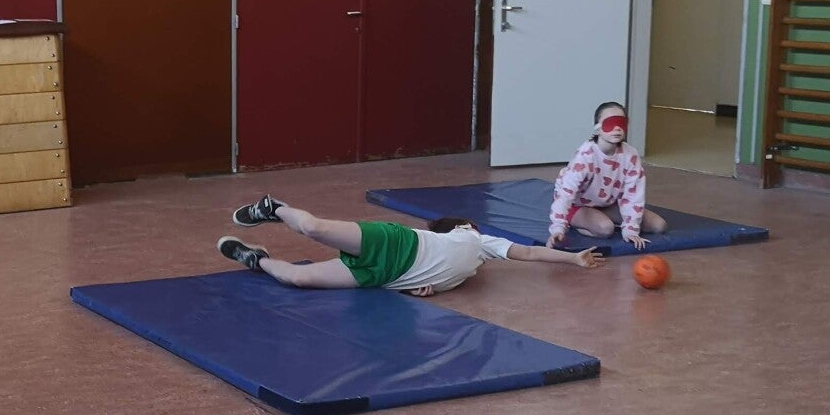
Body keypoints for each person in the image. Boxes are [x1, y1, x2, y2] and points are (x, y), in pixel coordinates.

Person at [217, 194, 601, 296]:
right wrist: (570, 258)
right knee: (314, 228)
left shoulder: (471, 266)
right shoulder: (476, 238)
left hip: (385, 276)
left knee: (298, 279)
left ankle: (255, 259)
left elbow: (529, 253)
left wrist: (574, 260)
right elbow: (530, 252)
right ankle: (274, 208)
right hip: (394, 242)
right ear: (463, 226)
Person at [548, 101, 669, 251]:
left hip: (607, 204)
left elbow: (633, 194)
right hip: (578, 204)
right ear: (598, 128)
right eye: (610, 123)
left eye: (621, 123)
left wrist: (631, 229)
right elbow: (565, 194)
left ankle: (605, 218)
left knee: (659, 226)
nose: (617, 128)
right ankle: (578, 224)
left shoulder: (630, 155)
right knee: (606, 229)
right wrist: (558, 228)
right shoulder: (585, 156)